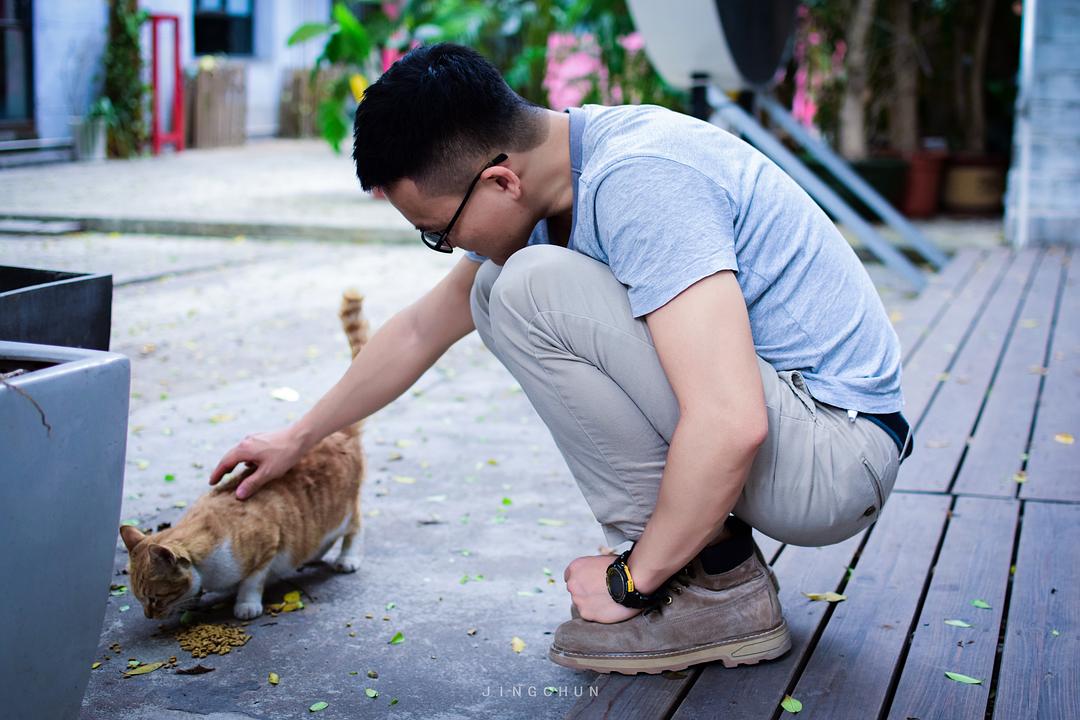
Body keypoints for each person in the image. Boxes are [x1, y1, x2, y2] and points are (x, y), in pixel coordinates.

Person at [210, 42, 913, 675]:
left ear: (501, 182)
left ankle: (708, 585)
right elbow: (424, 328)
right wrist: (297, 439)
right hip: (806, 435)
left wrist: (631, 578)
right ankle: (706, 573)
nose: (448, 249)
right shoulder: (552, 175)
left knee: (524, 286)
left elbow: (731, 421)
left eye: (438, 233)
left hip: (836, 456)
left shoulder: (638, 179)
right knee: (497, 289)